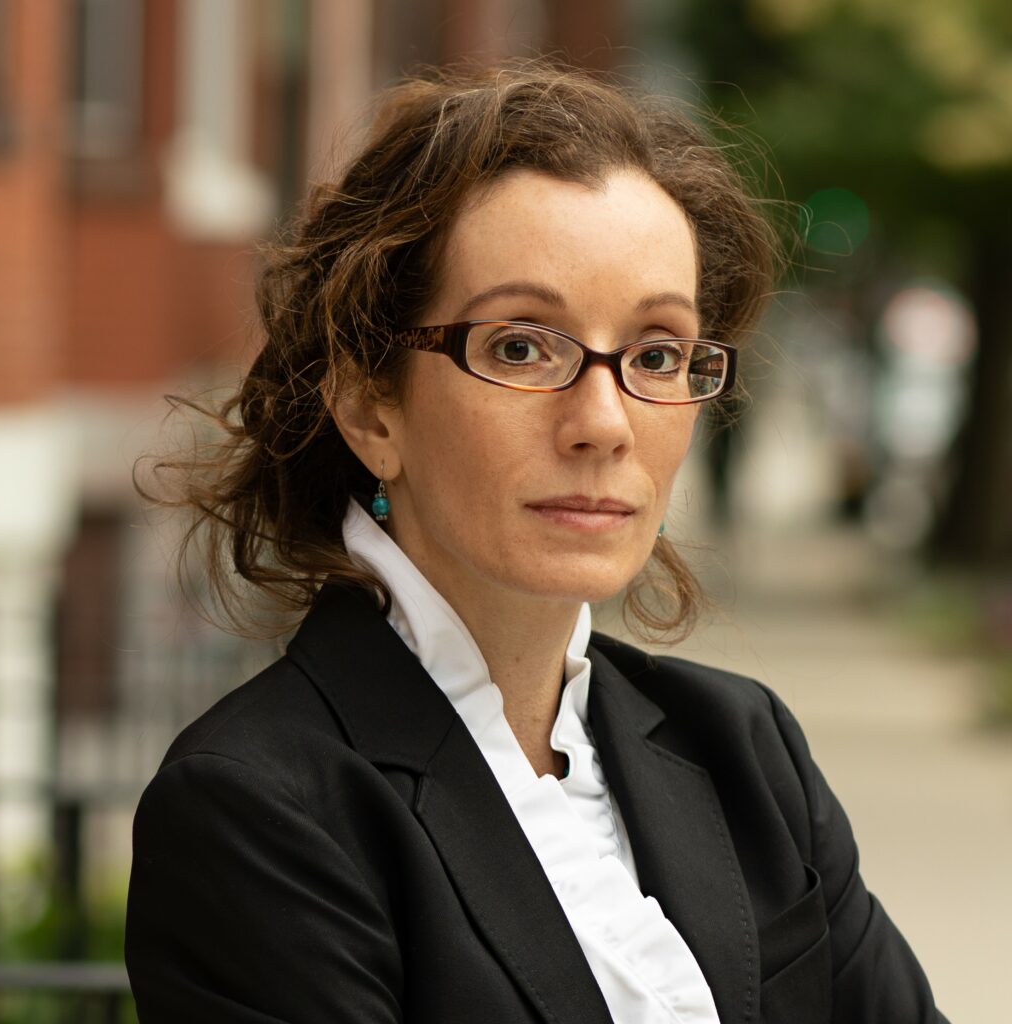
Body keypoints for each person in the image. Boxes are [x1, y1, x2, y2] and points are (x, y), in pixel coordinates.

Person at [125, 61, 949, 1023]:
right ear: (368, 403)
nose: (604, 421)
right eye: (521, 345)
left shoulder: (744, 749)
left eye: (656, 354)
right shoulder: (262, 811)